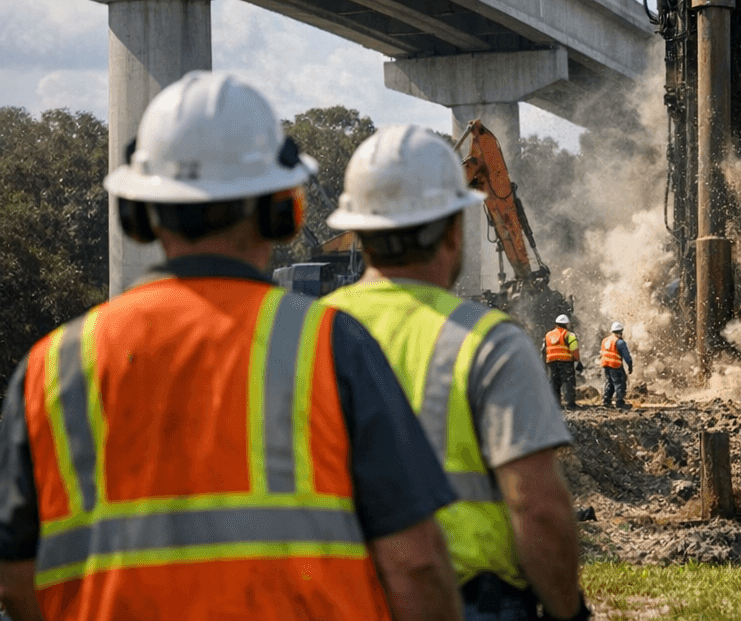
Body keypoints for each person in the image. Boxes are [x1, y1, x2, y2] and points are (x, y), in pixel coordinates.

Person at [0, 71, 462, 621]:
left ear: (139, 212)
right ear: (281, 211)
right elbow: (417, 565)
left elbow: (15, 577)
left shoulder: (52, 366)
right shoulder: (331, 347)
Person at [323, 125, 588, 621]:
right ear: (452, 227)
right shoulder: (490, 343)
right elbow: (537, 508)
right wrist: (567, 612)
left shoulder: (306, 337)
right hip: (475, 601)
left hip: (340, 599)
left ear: (359, 228)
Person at [544, 314, 581, 410]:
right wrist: (577, 360)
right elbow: (574, 350)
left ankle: (555, 405)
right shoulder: (569, 335)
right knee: (568, 382)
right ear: (566, 324)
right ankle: (570, 404)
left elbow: (544, 350)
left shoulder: (548, 335)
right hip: (565, 362)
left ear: (556, 324)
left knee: (554, 383)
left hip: (552, 362)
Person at [600, 322, 634, 410]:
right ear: (621, 332)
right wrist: (630, 365)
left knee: (609, 382)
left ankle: (606, 401)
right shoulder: (620, 342)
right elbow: (626, 356)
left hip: (606, 365)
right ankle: (619, 403)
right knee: (620, 383)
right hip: (615, 365)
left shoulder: (605, 340)